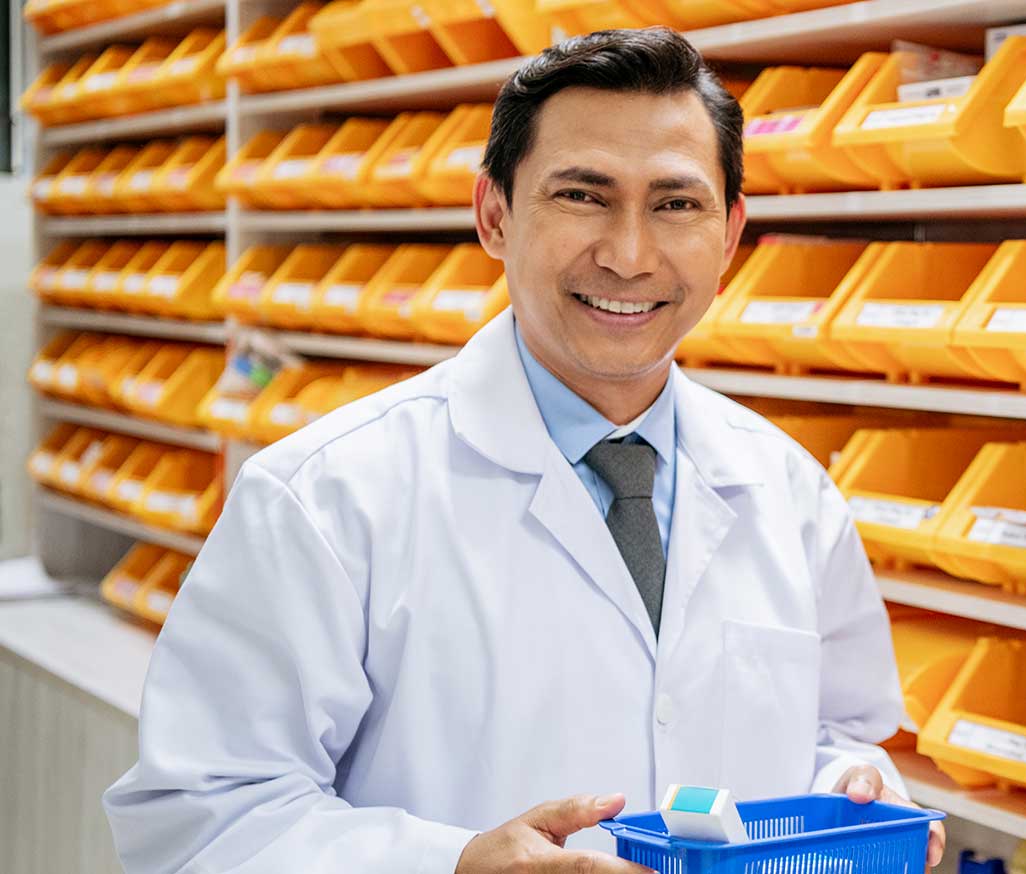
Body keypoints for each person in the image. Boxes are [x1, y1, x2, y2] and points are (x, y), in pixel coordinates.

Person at [103, 28, 943, 873]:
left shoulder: (790, 489)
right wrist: (453, 864)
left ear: (728, 235)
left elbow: (837, 734)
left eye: (676, 204)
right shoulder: (322, 496)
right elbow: (202, 822)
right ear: (494, 215)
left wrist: (854, 789)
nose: (628, 254)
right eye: (583, 196)